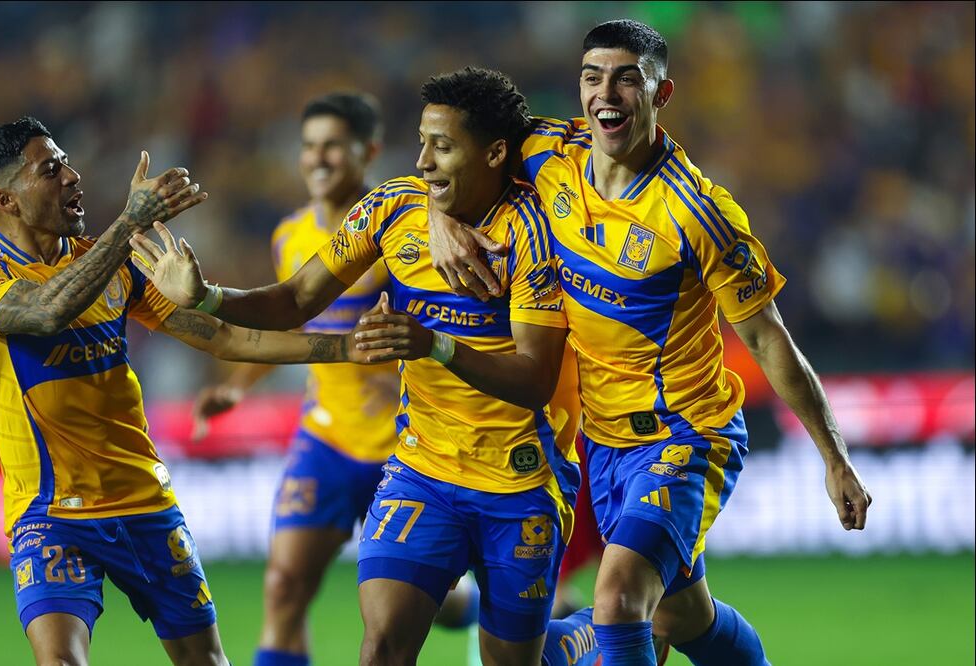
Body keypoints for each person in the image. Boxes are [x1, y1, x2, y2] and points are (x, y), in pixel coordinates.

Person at [422, 19, 873, 666]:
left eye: (627, 78)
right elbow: (449, 158)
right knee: (683, 616)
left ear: (660, 94)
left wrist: (834, 458)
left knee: (619, 599)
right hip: (602, 444)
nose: (606, 92)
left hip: (686, 435)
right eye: (592, 77)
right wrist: (440, 216)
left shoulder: (698, 212)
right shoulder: (547, 152)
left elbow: (770, 340)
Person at [129, 68, 599, 666]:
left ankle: (591, 632)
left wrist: (434, 345)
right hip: (421, 470)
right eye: (422, 142)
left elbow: (534, 379)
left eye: (443, 146)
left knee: (514, 659)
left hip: (519, 478)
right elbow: (296, 300)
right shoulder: (390, 208)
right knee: (378, 646)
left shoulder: (537, 235)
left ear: (496, 153)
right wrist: (206, 296)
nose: (423, 161)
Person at [0, 117, 375, 666]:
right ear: (5, 198)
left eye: (66, 161)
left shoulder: (113, 265)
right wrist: (128, 225)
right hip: (51, 513)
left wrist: (344, 349)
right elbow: (47, 312)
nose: (73, 176)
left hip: (146, 503)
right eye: (51, 170)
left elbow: (222, 336)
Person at [189, 93, 402, 666]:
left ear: (369, 151)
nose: (318, 158)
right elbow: (288, 322)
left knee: (423, 609)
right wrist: (236, 388)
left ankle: (467, 600)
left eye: (333, 145)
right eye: (309, 146)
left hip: (406, 448)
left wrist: (409, 375)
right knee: (283, 587)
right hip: (327, 440)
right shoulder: (290, 236)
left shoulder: (399, 239)